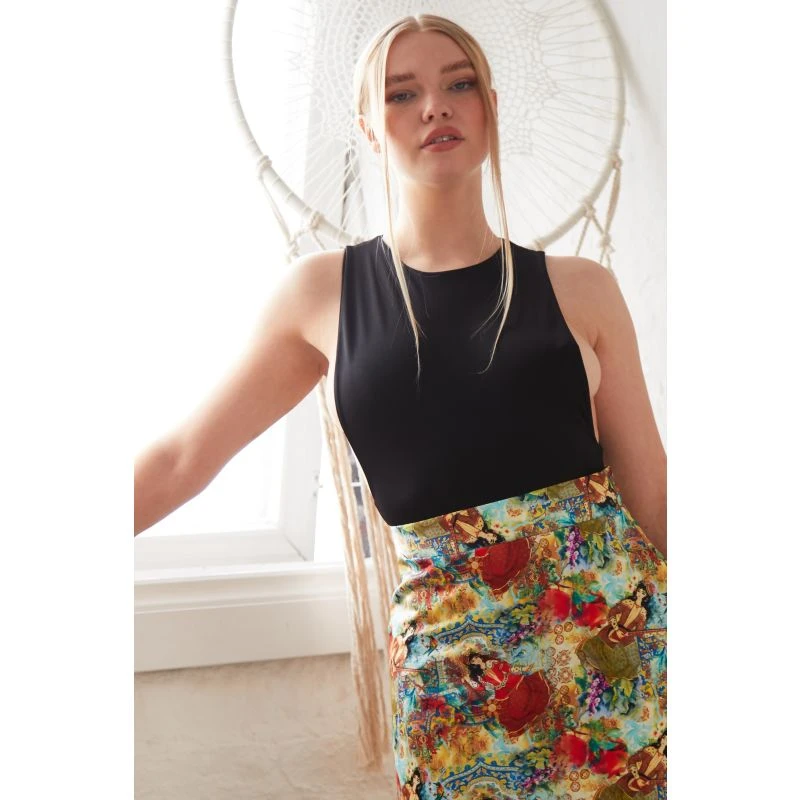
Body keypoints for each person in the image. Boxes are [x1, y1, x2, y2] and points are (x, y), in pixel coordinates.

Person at [135, 12, 667, 798]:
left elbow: (654, 496)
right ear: (367, 127)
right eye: (401, 93)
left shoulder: (582, 288)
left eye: (459, 84)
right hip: (454, 679)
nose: (435, 107)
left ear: (490, 106)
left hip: (614, 659)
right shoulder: (321, 295)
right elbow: (182, 458)